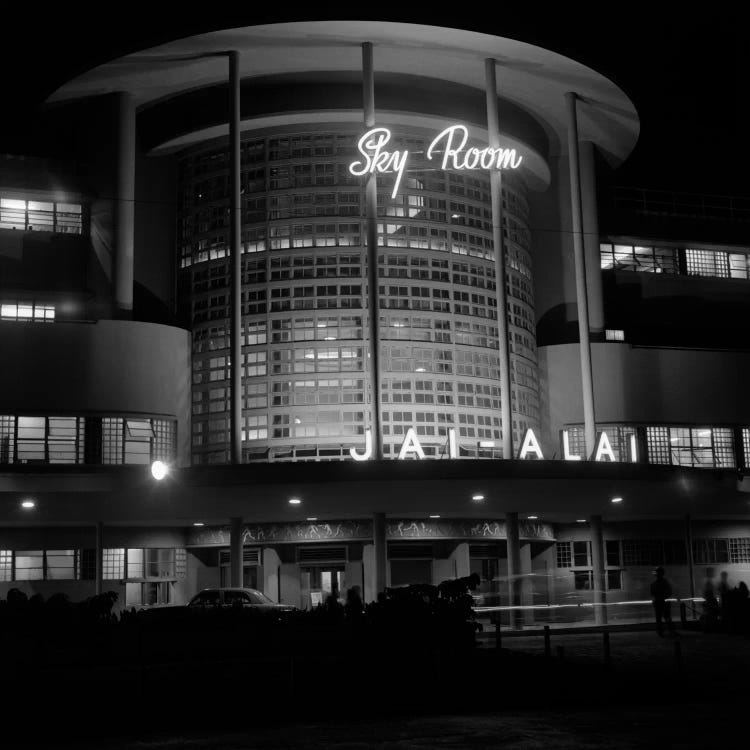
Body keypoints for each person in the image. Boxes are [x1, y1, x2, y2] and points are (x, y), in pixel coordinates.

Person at [650, 566, 675, 636]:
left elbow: (652, 593)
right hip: (664, 602)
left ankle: (660, 631)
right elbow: (670, 592)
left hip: (657, 602)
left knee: (658, 618)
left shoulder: (653, 584)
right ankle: (671, 631)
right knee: (667, 617)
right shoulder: (666, 583)